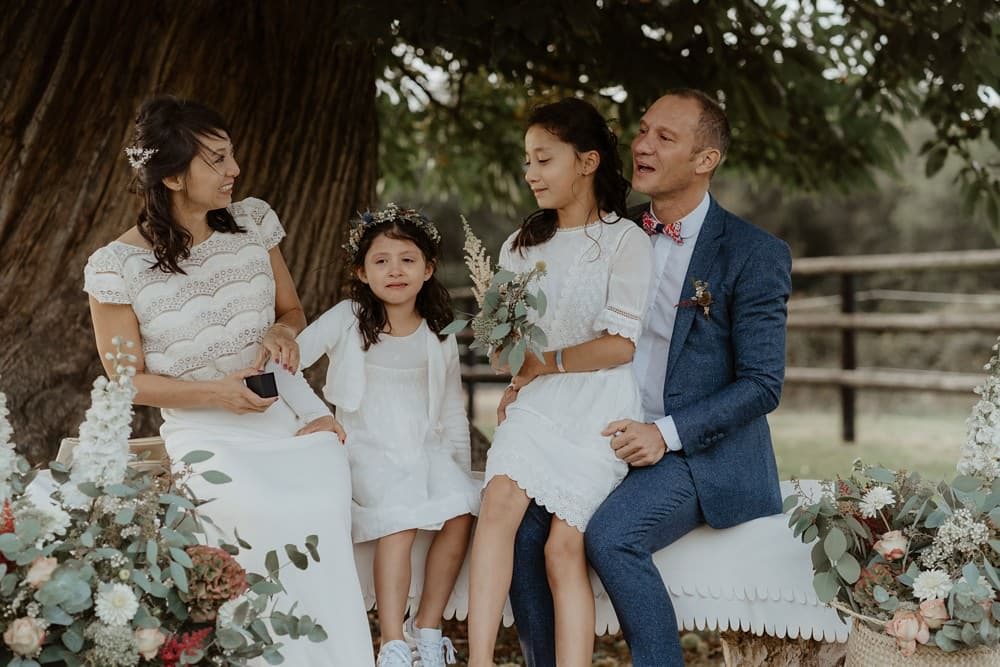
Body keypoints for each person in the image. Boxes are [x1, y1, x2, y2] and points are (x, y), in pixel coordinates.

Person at [83, 95, 374, 666]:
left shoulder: (253, 223)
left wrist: (282, 335)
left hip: (284, 417)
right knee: (254, 510)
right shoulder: (115, 267)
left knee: (322, 497)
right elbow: (125, 380)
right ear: (171, 176)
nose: (233, 170)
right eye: (216, 159)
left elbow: (291, 311)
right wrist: (216, 393)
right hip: (207, 437)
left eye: (231, 155)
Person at [506, 89, 793, 666]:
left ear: (705, 160)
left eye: (665, 137)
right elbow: (567, 332)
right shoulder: (608, 232)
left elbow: (763, 383)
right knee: (522, 529)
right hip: (597, 431)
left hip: (697, 452)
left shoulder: (753, 253)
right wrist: (524, 386)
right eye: (642, 131)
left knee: (612, 535)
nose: (642, 145)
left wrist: (665, 432)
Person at [466, 98, 654, 667]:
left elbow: (620, 344)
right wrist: (509, 355)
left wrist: (540, 364)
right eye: (527, 161)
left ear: (588, 160)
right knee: (498, 502)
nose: (531, 173)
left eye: (544, 159)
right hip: (540, 400)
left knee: (562, 547)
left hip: (599, 400)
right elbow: (507, 348)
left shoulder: (627, 241)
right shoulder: (521, 245)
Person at [291, 205, 480, 667]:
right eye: (381, 261)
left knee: (462, 511)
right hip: (368, 449)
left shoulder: (439, 333)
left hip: (424, 449)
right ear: (361, 271)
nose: (395, 270)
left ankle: (429, 629)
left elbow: (453, 409)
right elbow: (288, 363)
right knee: (401, 513)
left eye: (407, 259)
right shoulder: (348, 317)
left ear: (428, 268)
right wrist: (319, 415)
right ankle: (392, 642)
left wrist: (457, 465)